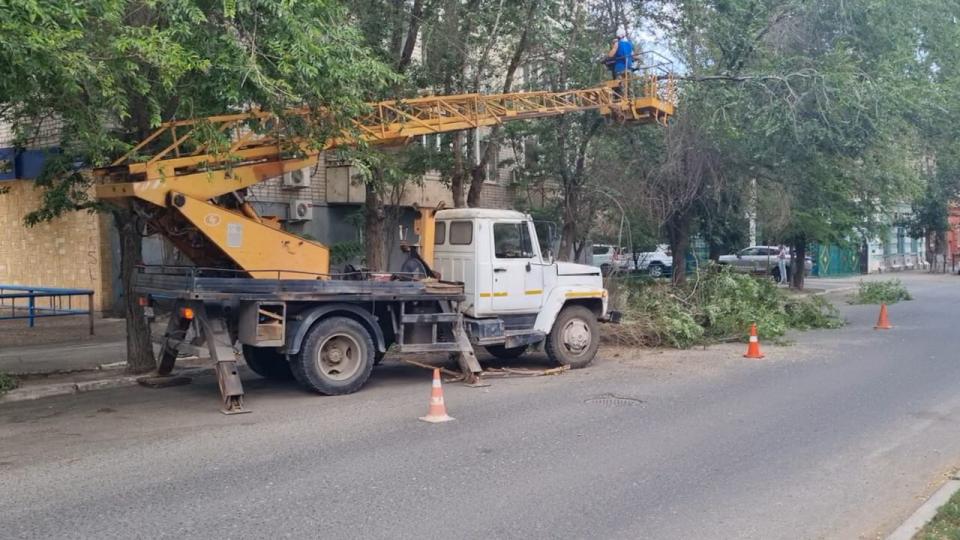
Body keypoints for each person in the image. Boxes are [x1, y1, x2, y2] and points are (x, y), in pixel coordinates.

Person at [605, 27, 634, 97]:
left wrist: (607, 56)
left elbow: (611, 55)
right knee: (629, 87)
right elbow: (633, 55)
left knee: (620, 87)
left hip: (620, 68)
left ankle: (621, 99)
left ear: (618, 36)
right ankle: (631, 99)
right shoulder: (630, 44)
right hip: (628, 68)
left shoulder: (617, 43)